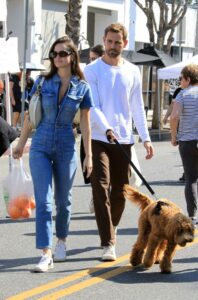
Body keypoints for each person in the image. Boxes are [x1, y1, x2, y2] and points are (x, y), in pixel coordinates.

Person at [13, 35, 93, 273]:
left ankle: (62, 240)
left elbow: (86, 125)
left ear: (72, 56)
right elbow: (30, 116)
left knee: (63, 202)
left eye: (62, 54)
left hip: (67, 145)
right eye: (54, 54)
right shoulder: (41, 82)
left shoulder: (83, 87)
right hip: (40, 144)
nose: (57, 58)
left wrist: (88, 156)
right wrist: (20, 143)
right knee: (45, 202)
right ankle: (45, 252)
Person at [83, 23, 154, 261]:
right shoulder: (91, 70)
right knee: (100, 185)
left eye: (118, 42)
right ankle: (108, 242)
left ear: (125, 43)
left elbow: (137, 107)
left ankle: (111, 228)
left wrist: (145, 137)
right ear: (104, 40)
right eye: (109, 41)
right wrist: (106, 127)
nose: (113, 46)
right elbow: (93, 105)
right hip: (98, 136)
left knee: (121, 191)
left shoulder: (133, 71)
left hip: (123, 138)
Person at [170, 64, 198, 228]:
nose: (180, 81)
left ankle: (192, 216)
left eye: (181, 78)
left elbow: (174, 116)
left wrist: (174, 136)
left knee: (191, 179)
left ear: (188, 79)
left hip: (187, 141)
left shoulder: (182, 95)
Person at [163, 85, 185, 182]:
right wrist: (166, 116)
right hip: (182, 127)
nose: (180, 81)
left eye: (181, 79)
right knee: (186, 152)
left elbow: (173, 107)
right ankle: (188, 172)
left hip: (185, 128)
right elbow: (172, 105)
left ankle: (189, 173)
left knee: (187, 151)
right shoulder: (179, 90)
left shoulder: (181, 92)